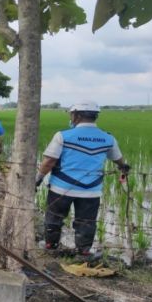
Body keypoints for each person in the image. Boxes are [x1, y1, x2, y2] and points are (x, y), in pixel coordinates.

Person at [36, 101, 130, 257]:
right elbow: (119, 160)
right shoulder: (107, 138)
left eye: (71, 115)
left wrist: (38, 178)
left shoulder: (63, 136)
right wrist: (123, 167)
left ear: (76, 116)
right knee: (86, 221)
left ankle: (51, 246)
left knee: (55, 217)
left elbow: (49, 162)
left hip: (61, 187)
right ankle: (83, 251)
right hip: (91, 191)